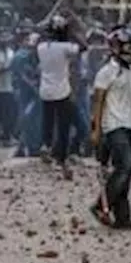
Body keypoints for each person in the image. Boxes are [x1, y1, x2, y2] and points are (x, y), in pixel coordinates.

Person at [90, 28, 131, 230]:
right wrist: (96, 130)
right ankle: (101, 205)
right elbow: (98, 102)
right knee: (124, 166)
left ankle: (123, 218)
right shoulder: (106, 72)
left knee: (126, 172)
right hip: (114, 125)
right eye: (130, 46)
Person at [37, 14, 86, 179]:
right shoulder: (65, 47)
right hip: (62, 91)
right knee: (69, 125)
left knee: (48, 123)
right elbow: (83, 47)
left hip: (45, 91)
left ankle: (47, 145)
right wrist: (73, 31)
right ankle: (64, 158)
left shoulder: (41, 47)